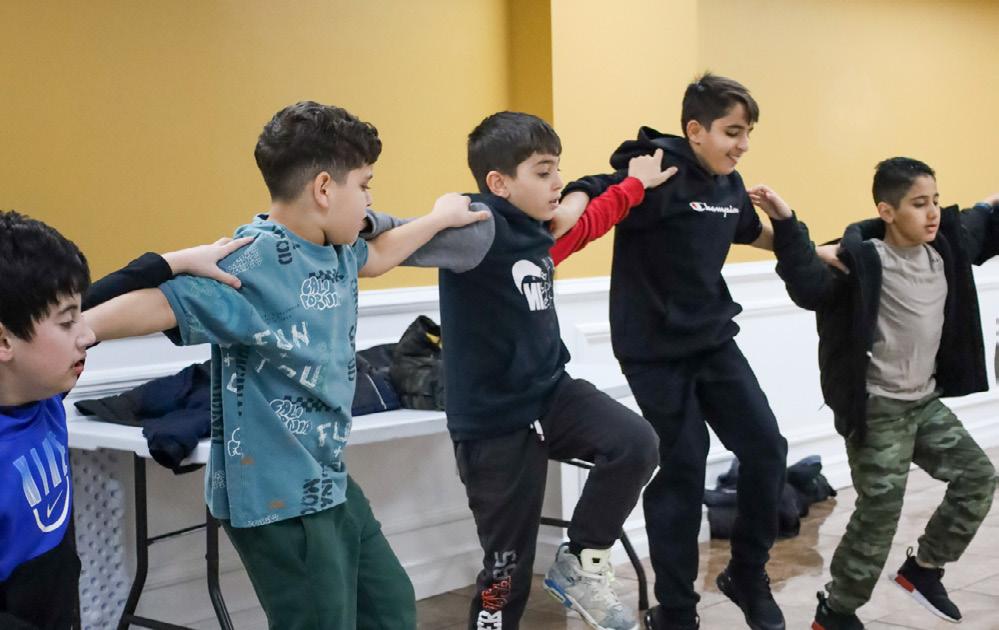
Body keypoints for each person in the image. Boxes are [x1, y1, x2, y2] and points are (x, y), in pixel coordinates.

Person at [83, 101, 489, 630]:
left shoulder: (335, 248)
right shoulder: (252, 261)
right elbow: (160, 304)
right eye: (364, 185)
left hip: (327, 479)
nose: (370, 200)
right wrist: (80, 329)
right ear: (324, 189)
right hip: (278, 496)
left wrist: (439, 219)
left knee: (388, 604)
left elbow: (380, 255)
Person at [557, 73, 840, 630]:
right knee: (683, 463)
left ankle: (746, 574)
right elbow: (594, 186)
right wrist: (568, 207)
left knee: (766, 448)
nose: (743, 145)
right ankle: (677, 610)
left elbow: (750, 232)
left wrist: (804, 240)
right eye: (732, 132)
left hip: (711, 340)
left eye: (748, 133)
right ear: (695, 130)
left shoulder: (728, 184)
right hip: (652, 350)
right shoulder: (656, 165)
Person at [418, 110, 673, 630]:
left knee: (636, 442)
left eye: (558, 169)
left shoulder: (537, 235)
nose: (557, 182)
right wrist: (435, 216)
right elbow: (392, 242)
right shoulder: (475, 231)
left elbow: (592, 216)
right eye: (542, 172)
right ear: (499, 183)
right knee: (506, 572)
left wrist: (632, 185)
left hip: (552, 395)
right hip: (495, 425)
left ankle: (580, 562)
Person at [750, 157, 998, 629]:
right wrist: (784, 219)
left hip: (924, 404)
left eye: (936, 201)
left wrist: (991, 202)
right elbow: (806, 283)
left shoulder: (945, 247)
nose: (932, 213)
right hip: (878, 408)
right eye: (919, 204)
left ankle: (924, 568)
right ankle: (836, 612)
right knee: (880, 510)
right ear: (887, 211)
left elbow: (979, 219)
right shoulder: (861, 260)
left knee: (978, 478)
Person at [0, 208, 249, 630]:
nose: (86, 334)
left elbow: (104, 295)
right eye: (67, 322)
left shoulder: (42, 390)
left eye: (78, 317)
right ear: (5, 342)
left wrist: (178, 261)